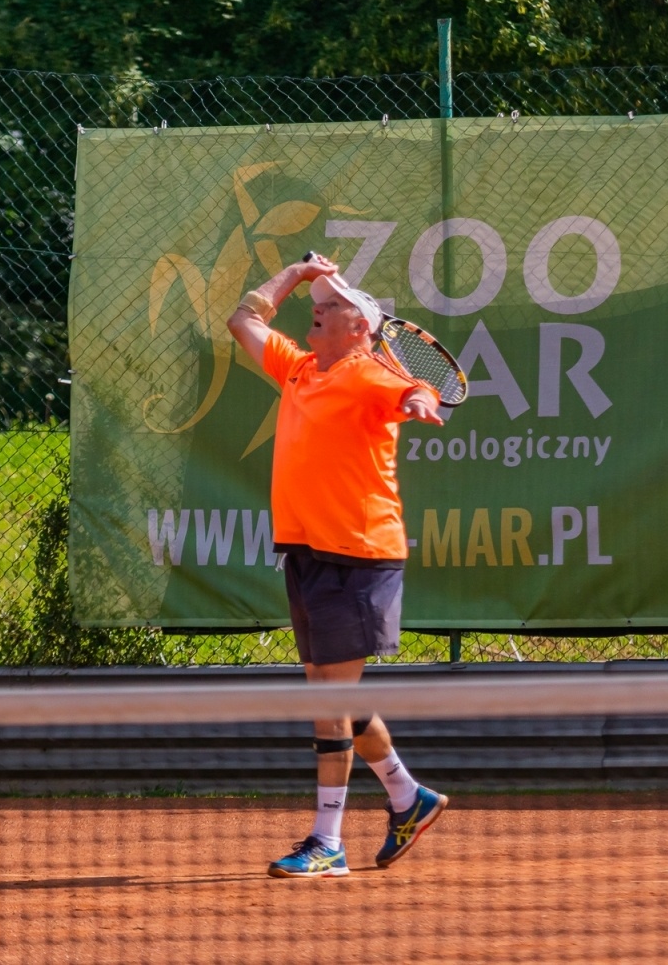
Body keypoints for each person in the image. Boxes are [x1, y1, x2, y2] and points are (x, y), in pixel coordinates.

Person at [227, 252, 450, 878]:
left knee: (330, 701)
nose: (317, 310)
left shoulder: (367, 370)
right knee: (337, 699)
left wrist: (421, 400)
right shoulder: (300, 370)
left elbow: (414, 386)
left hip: (358, 553)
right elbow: (242, 321)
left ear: (360, 328)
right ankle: (409, 798)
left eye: (332, 305)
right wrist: (295, 275)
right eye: (315, 303)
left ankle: (327, 841)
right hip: (306, 550)